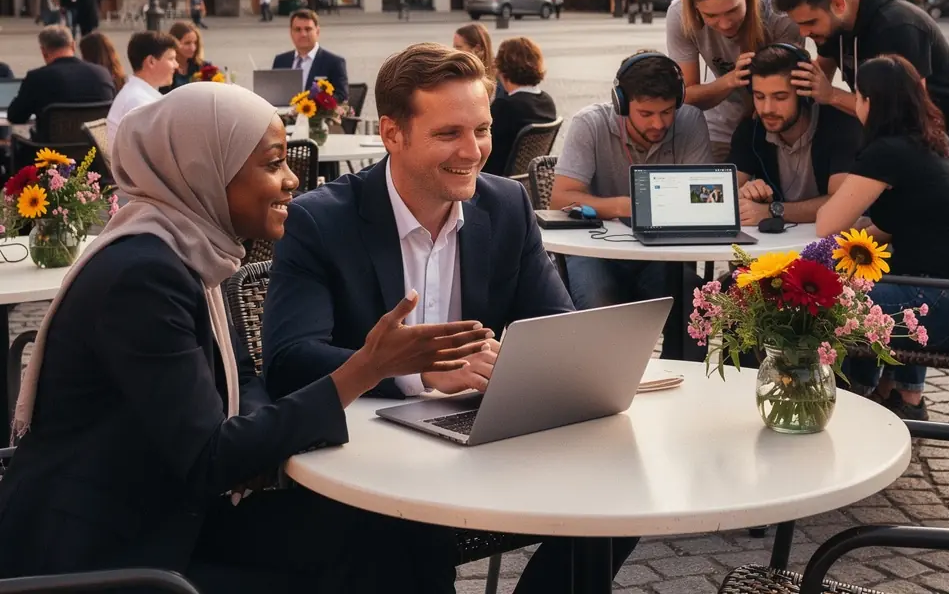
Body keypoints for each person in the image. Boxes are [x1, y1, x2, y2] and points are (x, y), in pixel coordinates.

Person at [0, 83, 491, 589]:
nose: (290, 180)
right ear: (205, 168)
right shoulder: (143, 276)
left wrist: (255, 437)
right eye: (272, 163)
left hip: (172, 514)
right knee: (369, 558)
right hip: (115, 553)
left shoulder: (188, 253)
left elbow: (245, 383)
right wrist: (367, 368)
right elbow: (209, 459)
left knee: (405, 534)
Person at [262, 43, 638, 591]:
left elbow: (559, 329)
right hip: (371, 461)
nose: (473, 150)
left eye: (482, 129)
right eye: (448, 134)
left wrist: (526, 366)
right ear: (392, 134)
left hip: (483, 439)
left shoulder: (506, 206)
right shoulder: (322, 222)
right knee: (405, 545)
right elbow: (289, 363)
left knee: (616, 492)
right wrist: (418, 368)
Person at [816, 55, 949, 421]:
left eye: (857, 96)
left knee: (815, 296)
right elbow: (892, 229)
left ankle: (845, 395)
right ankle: (887, 393)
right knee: (848, 273)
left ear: (870, 103)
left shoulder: (889, 151)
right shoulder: (935, 140)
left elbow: (826, 223)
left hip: (939, 308)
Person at [549, 51, 710, 355]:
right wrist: (627, 206)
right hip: (595, 252)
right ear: (620, 103)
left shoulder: (690, 121)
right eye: (646, 113)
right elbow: (561, 198)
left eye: (666, 112)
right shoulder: (590, 123)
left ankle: (682, 384)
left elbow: (700, 198)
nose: (658, 123)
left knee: (696, 303)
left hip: (662, 255)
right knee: (599, 306)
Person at [773, 0, 949, 169]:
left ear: (838, 4)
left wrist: (832, 96)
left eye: (810, 22)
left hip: (948, 133)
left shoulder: (897, 26)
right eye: (799, 24)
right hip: (892, 132)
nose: (804, 32)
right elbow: (820, 72)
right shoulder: (832, 24)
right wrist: (778, 98)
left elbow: (909, 111)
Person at [667, 0, 802, 162]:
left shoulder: (781, 15)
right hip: (719, 121)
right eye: (711, 16)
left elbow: (790, 91)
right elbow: (686, 96)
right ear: (694, 6)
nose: (725, 24)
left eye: (732, 10)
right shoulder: (678, 15)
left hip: (777, 123)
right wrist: (730, 80)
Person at [728, 43, 863, 226]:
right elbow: (722, 193)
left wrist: (773, 210)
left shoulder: (841, 125)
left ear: (804, 95)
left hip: (837, 237)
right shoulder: (752, 129)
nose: (767, 109)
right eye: (759, 97)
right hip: (779, 243)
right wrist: (742, 195)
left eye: (780, 97)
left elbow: (841, 203)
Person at [7, 26, 115, 128]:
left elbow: (15, 116)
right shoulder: (102, 74)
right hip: (93, 146)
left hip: (50, 147)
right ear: (73, 45)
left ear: (43, 51)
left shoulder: (36, 78)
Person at [482, 36, 557, 176]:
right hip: (529, 179)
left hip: (494, 180)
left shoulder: (506, 106)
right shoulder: (547, 102)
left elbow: (484, 147)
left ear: (502, 69)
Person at [105, 31, 180, 147]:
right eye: (171, 59)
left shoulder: (137, 93)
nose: (176, 65)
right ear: (151, 61)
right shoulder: (138, 102)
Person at [272, 9, 348, 99]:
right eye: (297, 29)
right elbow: (273, 94)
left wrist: (315, 103)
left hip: (315, 112)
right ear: (291, 33)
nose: (303, 34)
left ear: (317, 31)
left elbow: (342, 97)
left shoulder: (334, 62)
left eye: (308, 29)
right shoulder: (280, 61)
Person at [162, 20, 206, 93]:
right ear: (174, 43)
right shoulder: (165, 68)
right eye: (187, 43)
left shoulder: (203, 66)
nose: (193, 48)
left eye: (195, 43)